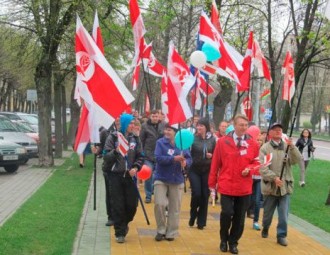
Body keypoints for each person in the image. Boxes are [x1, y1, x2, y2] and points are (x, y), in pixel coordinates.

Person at [208, 114, 259, 254]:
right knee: (226, 213)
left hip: (244, 187)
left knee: (239, 217)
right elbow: (215, 164)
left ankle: (233, 242)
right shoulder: (223, 142)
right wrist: (212, 184)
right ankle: (223, 239)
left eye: (245, 125)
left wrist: (250, 169)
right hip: (226, 185)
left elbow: (257, 162)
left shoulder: (253, 144)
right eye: (241, 125)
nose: (243, 127)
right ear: (234, 125)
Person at [103, 113, 144, 243]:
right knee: (118, 205)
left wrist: (136, 168)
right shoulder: (113, 137)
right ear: (125, 124)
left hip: (130, 176)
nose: (133, 125)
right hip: (115, 176)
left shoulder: (135, 139)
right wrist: (115, 151)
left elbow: (140, 156)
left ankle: (125, 222)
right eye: (131, 123)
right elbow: (105, 156)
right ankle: (119, 232)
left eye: (134, 123)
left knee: (132, 205)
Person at [259, 123, 301, 247]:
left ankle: (281, 235)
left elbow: (296, 160)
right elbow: (263, 168)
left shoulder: (287, 147)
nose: (278, 131)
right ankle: (265, 227)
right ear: (270, 133)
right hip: (271, 187)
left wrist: (292, 147)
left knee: (283, 214)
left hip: (285, 187)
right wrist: (274, 178)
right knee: (267, 214)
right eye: (275, 129)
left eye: (280, 130)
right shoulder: (265, 148)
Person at [153, 123, 192, 242]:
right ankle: (161, 229)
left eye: (169, 130)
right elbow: (158, 158)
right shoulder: (160, 143)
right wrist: (173, 159)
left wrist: (186, 163)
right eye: (166, 130)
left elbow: (189, 158)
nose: (167, 132)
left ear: (175, 132)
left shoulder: (183, 144)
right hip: (161, 178)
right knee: (159, 203)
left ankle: (171, 232)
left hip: (177, 179)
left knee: (175, 207)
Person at [188, 118, 216, 230]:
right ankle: (193, 214)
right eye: (197, 126)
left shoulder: (212, 139)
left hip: (207, 170)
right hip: (194, 169)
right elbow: (188, 153)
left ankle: (201, 221)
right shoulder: (192, 139)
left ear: (206, 127)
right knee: (196, 194)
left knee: (205, 195)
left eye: (201, 126)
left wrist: (212, 156)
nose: (199, 128)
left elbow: (216, 154)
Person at [140, 110, 164, 203]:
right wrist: (141, 154)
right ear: (150, 116)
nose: (155, 118)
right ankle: (148, 195)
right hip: (148, 155)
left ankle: (156, 191)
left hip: (160, 155)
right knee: (148, 174)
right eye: (153, 116)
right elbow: (141, 140)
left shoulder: (163, 125)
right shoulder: (145, 126)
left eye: (156, 116)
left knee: (157, 175)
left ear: (159, 117)